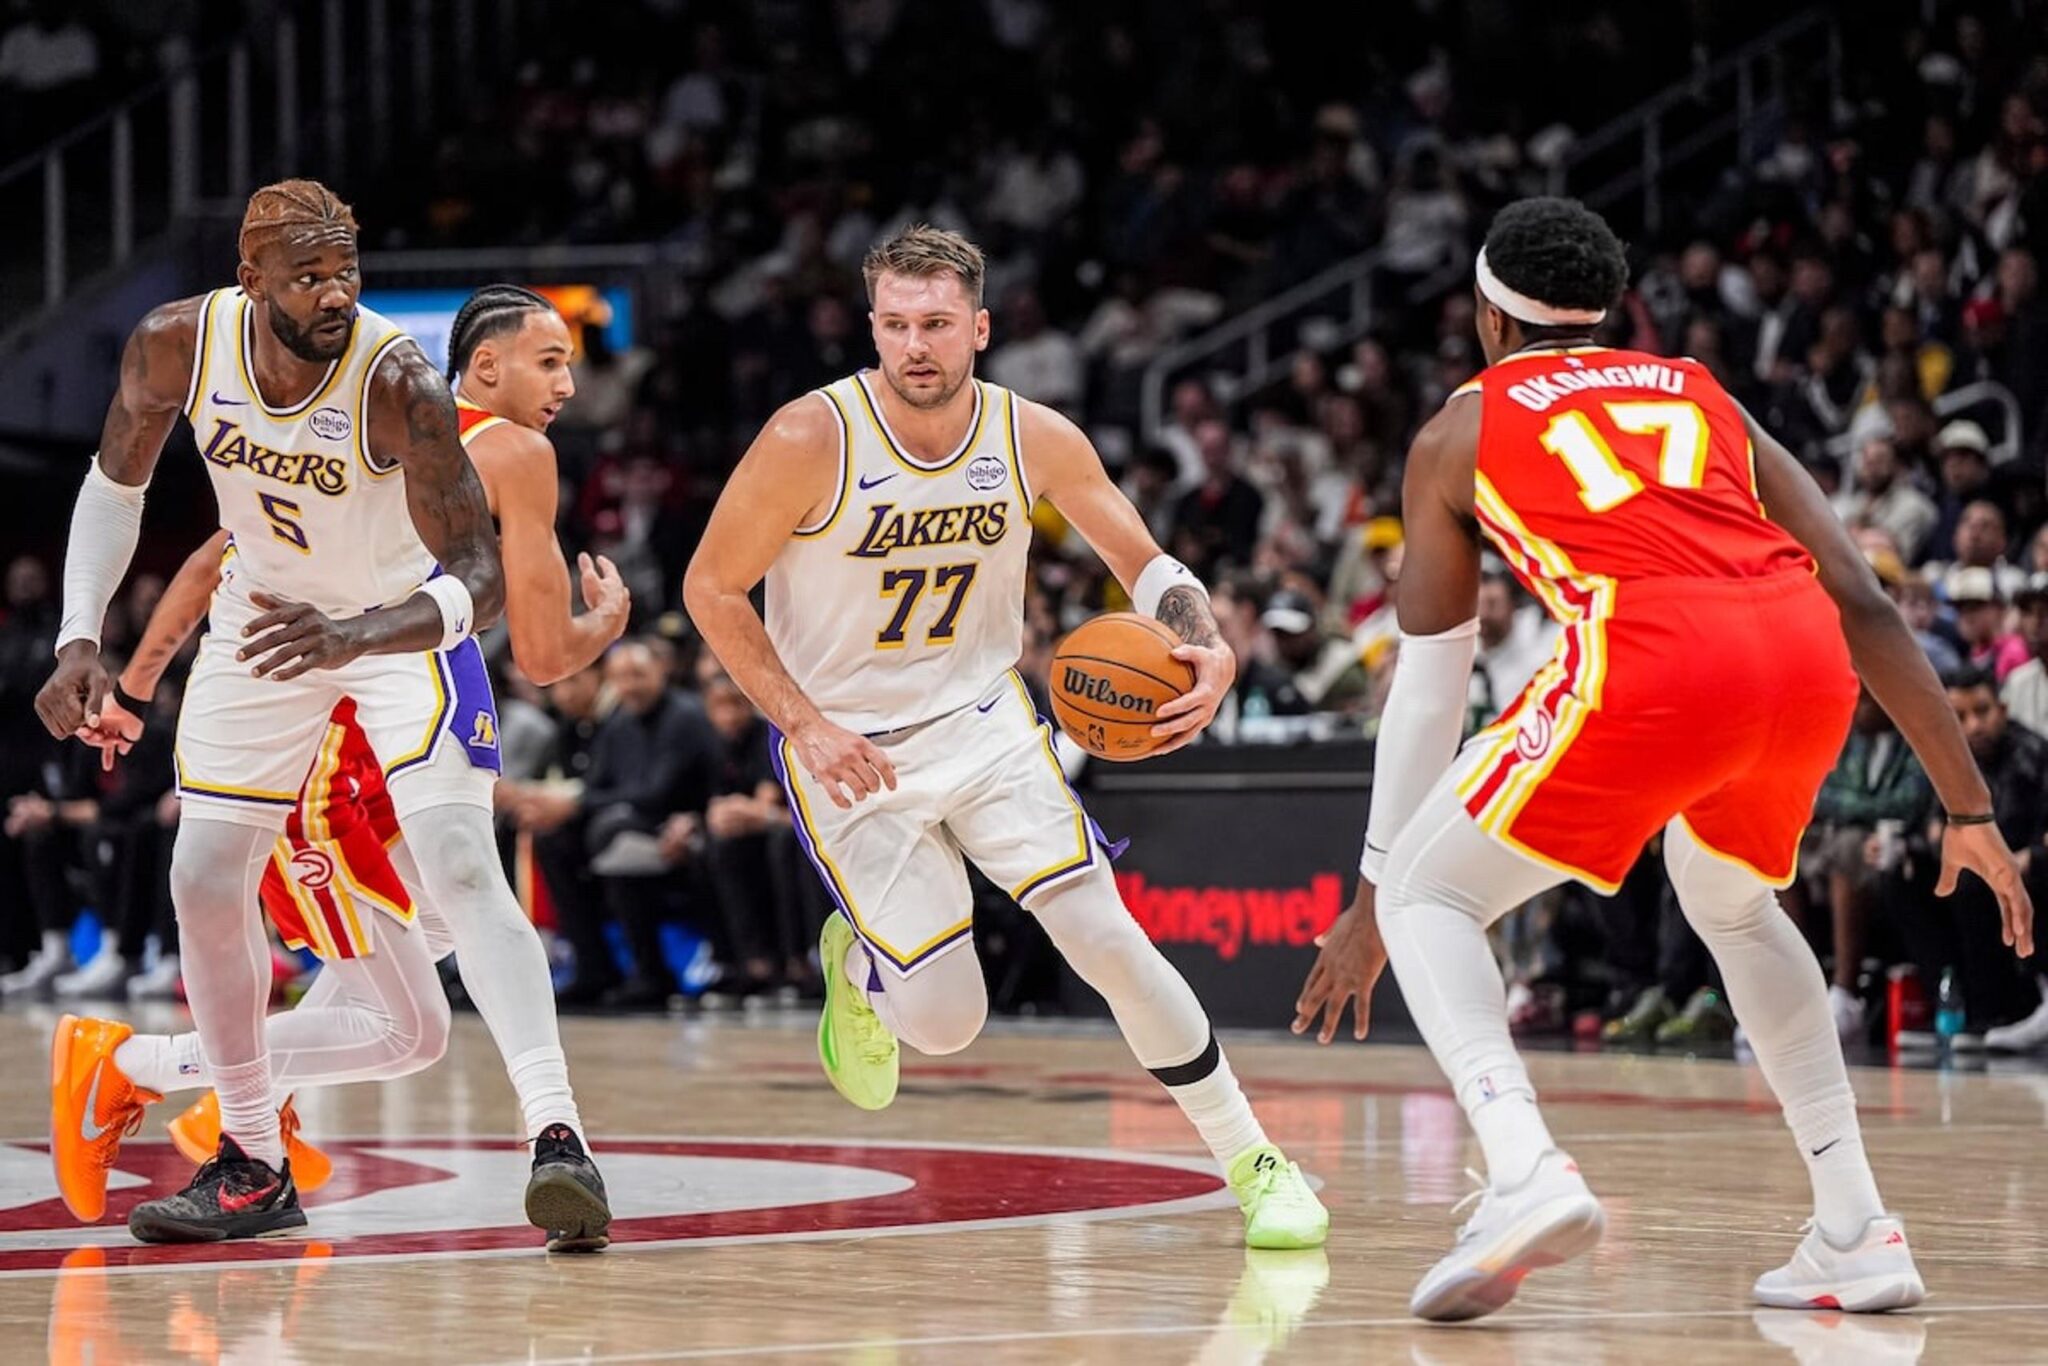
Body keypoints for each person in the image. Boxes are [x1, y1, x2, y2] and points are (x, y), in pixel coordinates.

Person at [1291, 198, 2031, 1321]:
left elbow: (1433, 679)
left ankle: (1522, 1167)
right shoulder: (1697, 388)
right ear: (1606, 312)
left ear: (1487, 318)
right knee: (1729, 903)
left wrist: (1369, 892)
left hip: (1649, 656)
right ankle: (1854, 1227)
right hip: (1798, 659)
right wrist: (1966, 806)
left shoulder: (1457, 429)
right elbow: (1865, 599)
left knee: (1428, 891)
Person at [683, 224, 1327, 1249]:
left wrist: (1203, 639)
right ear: (872, 329)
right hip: (852, 747)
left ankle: (1255, 1160)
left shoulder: (1032, 435)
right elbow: (708, 586)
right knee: (946, 1023)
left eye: (935, 323)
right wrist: (802, 725)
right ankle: (858, 966)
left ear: (978, 327)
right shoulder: (810, 437)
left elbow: (1141, 557)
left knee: (1108, 938)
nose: (914, 346)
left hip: (986, 724)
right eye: (893, 325)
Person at [34, 201, 616, 1249]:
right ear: (250, 275)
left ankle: (556, 1137)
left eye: (345, 272)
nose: (334, 293)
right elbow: (115, 490)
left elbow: (476, 583)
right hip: (265, 628)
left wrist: (359, 633)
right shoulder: (178, 340)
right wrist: (86, 642)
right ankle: (248, 1154)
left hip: (394, 632)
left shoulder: (397, 381)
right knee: (205, 883)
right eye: (307, 277)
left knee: (460, 874)